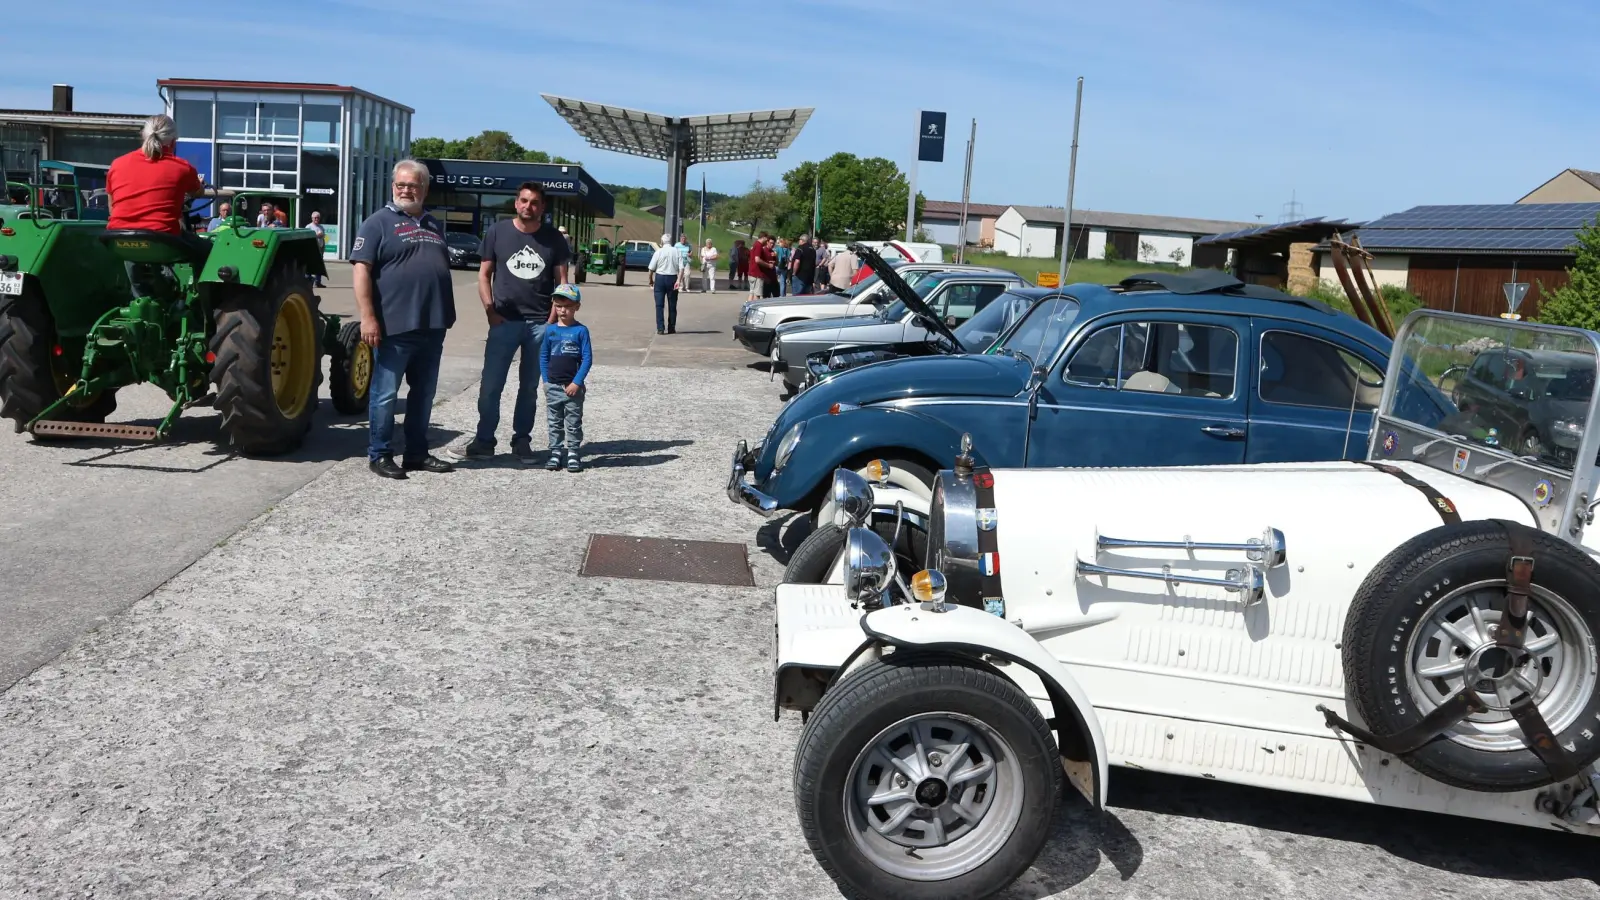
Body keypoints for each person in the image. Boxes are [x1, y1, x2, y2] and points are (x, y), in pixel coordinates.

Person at [351, 159, 457, 480]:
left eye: (412, 185)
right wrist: (368, 317)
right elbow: (361, 270)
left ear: (424, 189)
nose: (406, 190)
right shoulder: (377, 223)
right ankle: (380, 454)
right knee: (385, 395)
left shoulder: (434, 225)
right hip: (393, 327)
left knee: (423, 394)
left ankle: (416, 453)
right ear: (393, 187)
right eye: (401, 185)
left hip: (432, 326)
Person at [450, 182, 570, 464]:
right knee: (491, 385)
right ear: (516, 203)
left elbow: (562, 283)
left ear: (543, 208)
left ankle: (522, 441)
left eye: (535, 202)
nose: (529, 206)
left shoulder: (554, 239)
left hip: (540, 325)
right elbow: (484, 275)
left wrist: (553, 320)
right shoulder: (497, 232)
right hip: (504, 322)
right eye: (524, 201)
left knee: (529, 387)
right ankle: (484, 441)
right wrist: (490, 311)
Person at [105, 114, 202, 235]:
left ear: (143, 137)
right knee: (208, 248)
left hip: (118, 238)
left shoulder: (116, 164)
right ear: (173, 142)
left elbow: (112, 208)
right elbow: (198, 192)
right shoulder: (183, 168)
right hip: (162, 240)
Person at [539, 283, 593, 472]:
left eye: (568, 306)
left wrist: (577, 383)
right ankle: (555, 452)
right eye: (559, 306)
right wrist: (545, 380)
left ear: (577, 307)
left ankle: (573, 453)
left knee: (573, 421)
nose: (563, 310)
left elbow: (587, 359)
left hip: (572, 388)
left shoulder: (581, 331)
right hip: (552, 386)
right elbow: (544, 356)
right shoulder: (550, 330)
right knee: (554, 421)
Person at [646, 232, 684, 335]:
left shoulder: (658, 252)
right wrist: (678, 281)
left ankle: (660, 328)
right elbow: (681, 268)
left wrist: (650, 280)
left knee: (659, 305)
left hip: (660, 278)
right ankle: (671, 327)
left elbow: (651, 269)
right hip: (672, 278)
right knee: (672, 305)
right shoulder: (677, 251)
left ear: (662, 241)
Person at [305, 211, 327, 286]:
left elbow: (323, 237)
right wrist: (317, 235)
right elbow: (307, 237)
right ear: (312, 218)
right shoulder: (309, 227)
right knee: (310, 264)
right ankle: (308, 280)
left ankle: (318, 282)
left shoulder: (321, 227)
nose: (317, 219)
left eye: (318, 218)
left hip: (320, 248)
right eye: (315, 218)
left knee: (319, 265)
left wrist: (323, 247)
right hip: (311, 248)